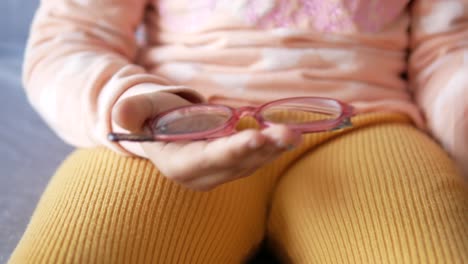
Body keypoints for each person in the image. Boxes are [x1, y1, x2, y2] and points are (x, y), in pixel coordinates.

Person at [10, 0, 468, 263]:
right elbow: (73, 39)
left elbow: (448, 50)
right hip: (178, 130)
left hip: (367, 125)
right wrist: (139, 112)